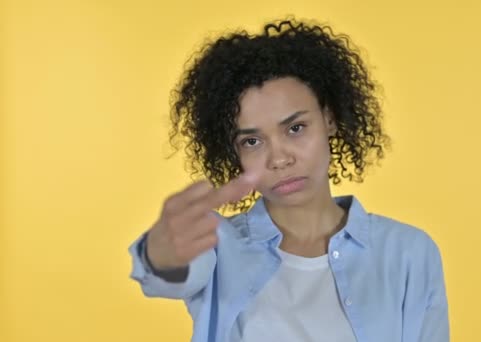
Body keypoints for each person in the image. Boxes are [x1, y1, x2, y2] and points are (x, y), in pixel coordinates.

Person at [128, 17, 449, 342]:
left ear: (330, 119)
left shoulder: (408, 252)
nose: (280, 159)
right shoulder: (218, 246)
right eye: (252, 141)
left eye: (295, 128)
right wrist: (159, 255)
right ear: (234, 152)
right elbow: (167, 273)